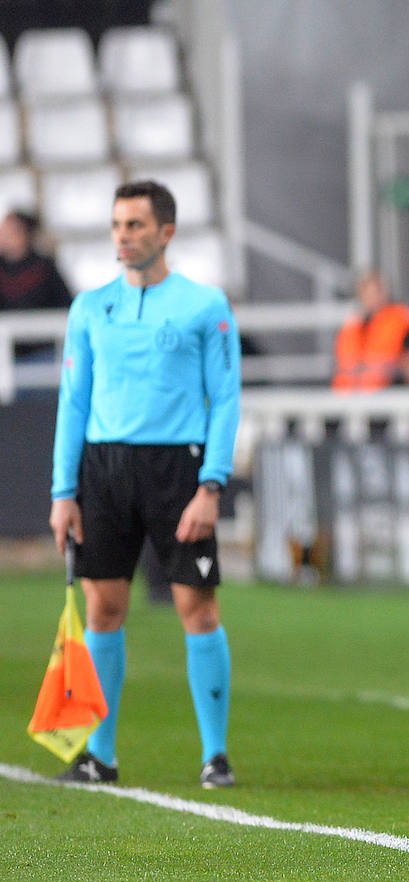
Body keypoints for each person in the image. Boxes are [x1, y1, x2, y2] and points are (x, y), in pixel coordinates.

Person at [47, 180, 241, 788]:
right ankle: (98, 757)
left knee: (196, 607)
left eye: (134, 225)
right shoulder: (89, 307)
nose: (122, 237)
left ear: (166, 232)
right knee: (104, 609)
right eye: (116, 225)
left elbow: (227, 398)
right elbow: (72, 403)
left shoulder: (205, 306)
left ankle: (215, 755)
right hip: (103, 473)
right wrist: (62, 492)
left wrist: (211, 485)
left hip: (178, 472)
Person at [0, 210, 73, 360]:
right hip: (4, 352)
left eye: (8, 230)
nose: (2, 234)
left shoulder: (44, 267)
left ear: (24, 233)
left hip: (42, 351)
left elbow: (65, 304)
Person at [332, 269, 409, 391]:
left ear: (384, 293)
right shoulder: (353, 325)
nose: (370, 298)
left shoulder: (399, 318)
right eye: (365, 293)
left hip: (389, 389)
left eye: (374, 292)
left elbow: (406, 358)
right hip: (351, 394)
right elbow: (344, 363)